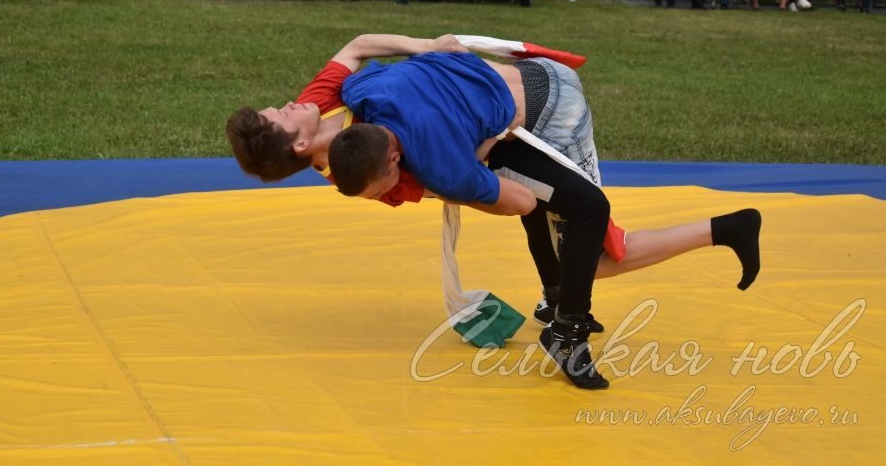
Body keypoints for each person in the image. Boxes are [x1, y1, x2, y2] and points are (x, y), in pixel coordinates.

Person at [325, 49, 762, 390]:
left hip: (551, 116)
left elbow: (521, 202)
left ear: (395, 158)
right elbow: (366, 47)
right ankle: (556, 297)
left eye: (384, 189)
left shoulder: (445, 168)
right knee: (560, 217)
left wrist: (477, 168)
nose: (389, 197)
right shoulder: (365, 91)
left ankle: (568, 331)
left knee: (592, 229)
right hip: (539, 73)